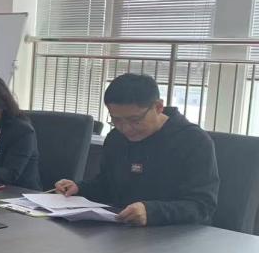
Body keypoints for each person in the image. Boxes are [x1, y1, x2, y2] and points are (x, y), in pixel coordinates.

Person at [55, 73, 219, 226]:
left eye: (135, 120)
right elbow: (108, 186)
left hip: (178, 236)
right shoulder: (116, 138)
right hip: (124, 230)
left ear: (158, 107)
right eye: (116, 120)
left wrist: (151, 212)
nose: (126, 128)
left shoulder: (193, 141)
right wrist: (79, 188)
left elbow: (202, 205)